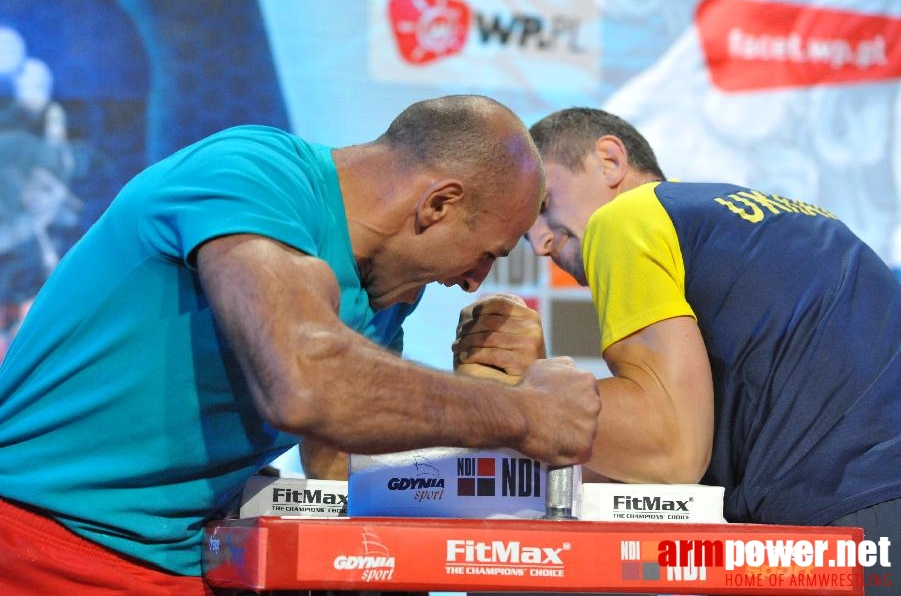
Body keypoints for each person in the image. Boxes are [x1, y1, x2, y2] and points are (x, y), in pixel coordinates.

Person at [0, 95, 601, 595]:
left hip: (186, 564)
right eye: (487, 255)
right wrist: (526, 414)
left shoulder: (388, 287)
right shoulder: (250, 173)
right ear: (438, 203)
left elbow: (336, 458)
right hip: (36, 545)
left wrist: (484, 384)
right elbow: (309, 386)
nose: (474, 281)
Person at [455, 107, 900, 590]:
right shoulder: (788, 219)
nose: (539, 243)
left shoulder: (626, 217)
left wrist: (518, 392)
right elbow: (684, 462)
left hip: (839, 528)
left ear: (609, 160)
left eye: (542, 206)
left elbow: (672, 452)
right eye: (524, 234)